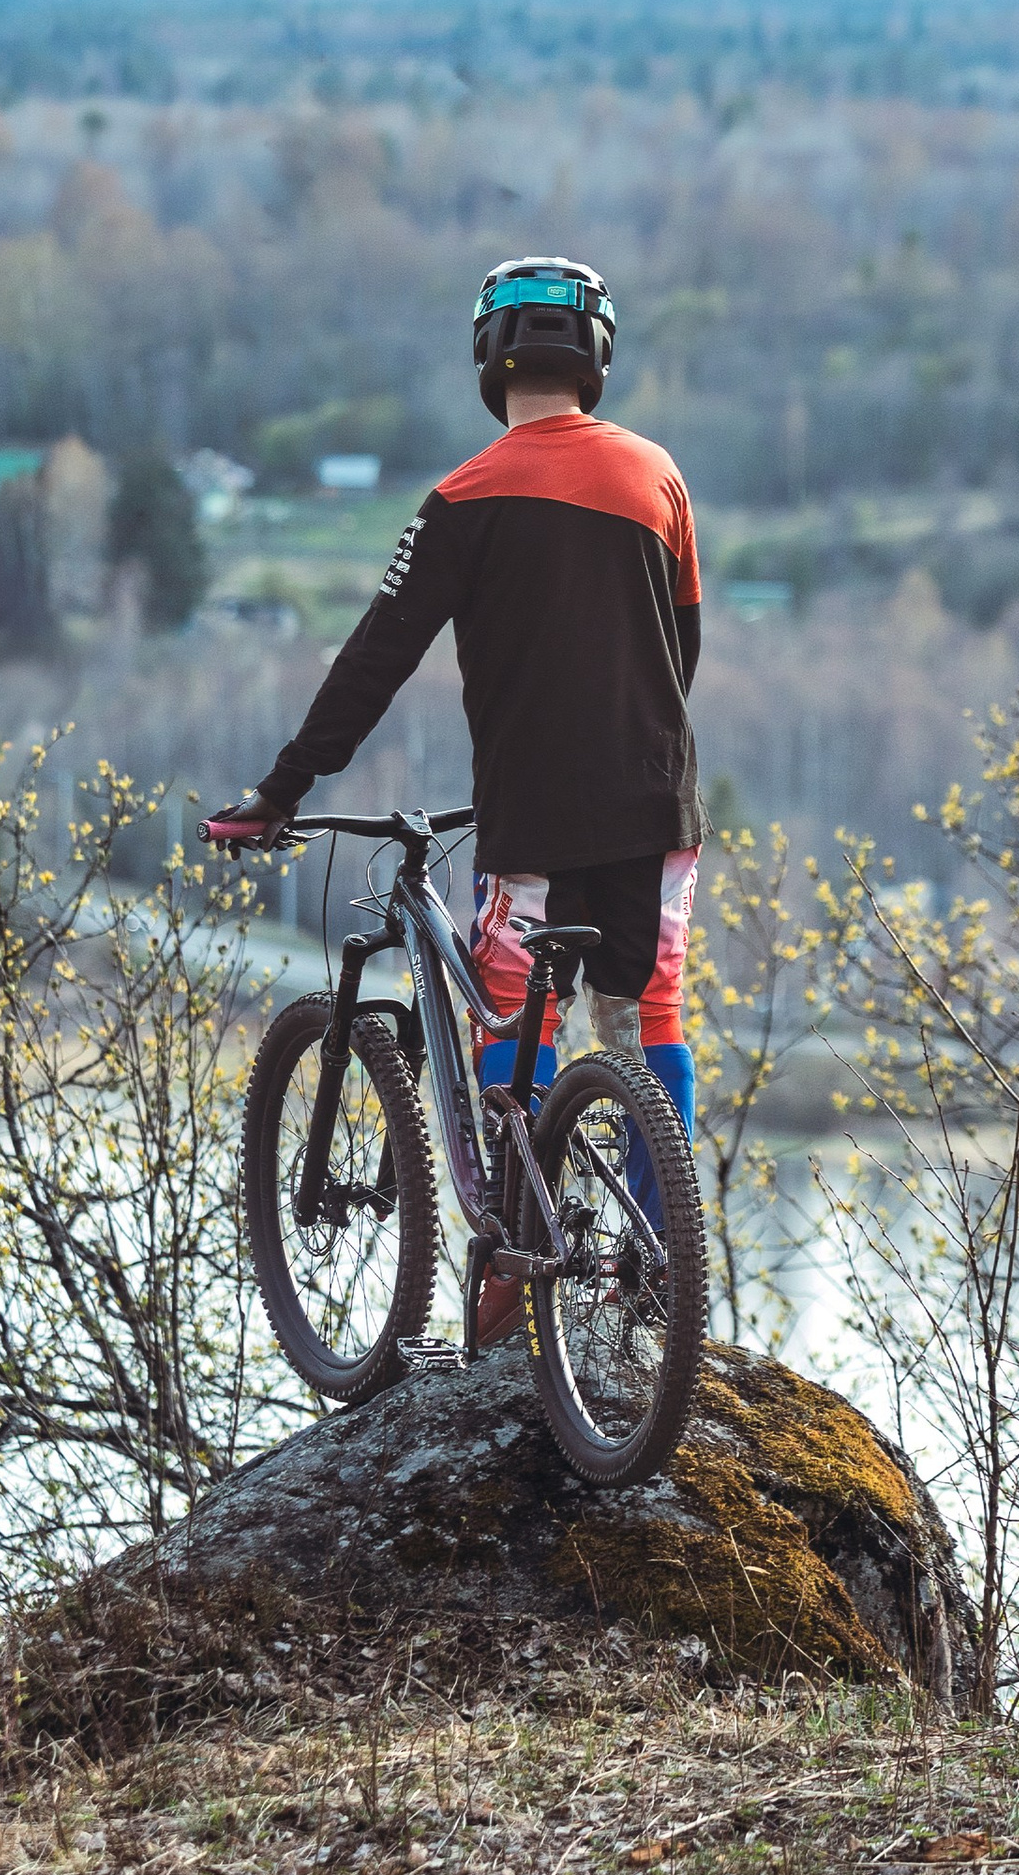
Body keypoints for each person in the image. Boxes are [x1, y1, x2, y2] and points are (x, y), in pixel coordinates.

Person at [233, 255, 704, 1342]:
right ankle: (659, 1271)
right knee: (642, 1015)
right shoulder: (658, 477)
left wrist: (281, 788)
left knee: (512, 1004)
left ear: (490, 363)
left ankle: (511, 1277)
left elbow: (372, 663)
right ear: (595, 360)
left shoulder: (464, 496)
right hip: (658, 805)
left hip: (535, 815)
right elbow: (682, 648)